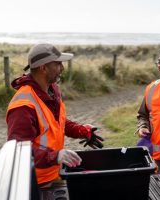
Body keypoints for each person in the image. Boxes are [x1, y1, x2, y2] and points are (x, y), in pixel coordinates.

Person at [6, 43, 104, 187]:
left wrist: (81, 130)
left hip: (55, 173)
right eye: (58, 64)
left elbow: (57, 123)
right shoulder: (23, 106)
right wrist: (56, 156)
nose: (62, 68)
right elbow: (19, 151)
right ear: (43, 68)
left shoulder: (52, 90)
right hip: (34, 183)